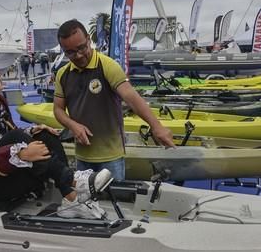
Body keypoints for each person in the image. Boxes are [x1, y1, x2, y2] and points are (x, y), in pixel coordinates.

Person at [0, 52, 113, 219]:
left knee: (46, 135)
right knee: (18, 137)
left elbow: (6, 135)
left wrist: (33, 131)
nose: (0, 88)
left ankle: (72, 200)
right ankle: (73, 180)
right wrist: (21, 154)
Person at [53, 19, 175, 181]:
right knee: (86, 204)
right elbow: (58, 109)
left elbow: (131, 97)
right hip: (82, 156)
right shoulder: (63, 74)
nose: (79, 55)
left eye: (82, 47)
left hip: (111, 157)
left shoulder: (107, 66)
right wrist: (72, 125)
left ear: (89, 40)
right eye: (70, 52)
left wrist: (156, 126)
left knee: (114, 202)